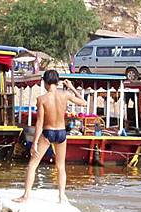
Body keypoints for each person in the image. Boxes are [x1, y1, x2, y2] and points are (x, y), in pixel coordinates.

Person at [14, 70, 87, 204]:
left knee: (32, 165)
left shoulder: (42, 99)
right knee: (61, 167)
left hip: (48, 133)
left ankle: (25, 196)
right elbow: (83, 103)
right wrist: (71, 88)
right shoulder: (65, 95)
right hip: (61, 133)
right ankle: (61, 196)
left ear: (45, 83)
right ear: (57, 82)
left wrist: (35, 142)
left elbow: (40, 122)